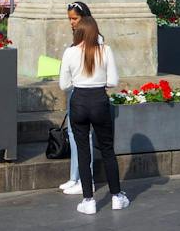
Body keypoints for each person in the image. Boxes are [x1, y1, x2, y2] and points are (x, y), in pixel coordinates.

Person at [61, 15, 127, 212]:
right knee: (107, 149)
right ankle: (116, 196)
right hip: (99, 100)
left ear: (78, 32)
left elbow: (64, 84)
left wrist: (78, 82)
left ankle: (88, 200)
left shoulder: (70, 52)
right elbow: (113, 81)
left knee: (83, 151)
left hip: (79, 100)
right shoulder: (105, 50)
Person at [59, 2, 96, 197]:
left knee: (83, 138)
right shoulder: (77, 40)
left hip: (84, 93)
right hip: (75, 92)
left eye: (75, 19)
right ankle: (75, 176)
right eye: (70, 19)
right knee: (74, 136)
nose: (72, 23)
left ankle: (85, 178)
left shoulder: (96, 41)